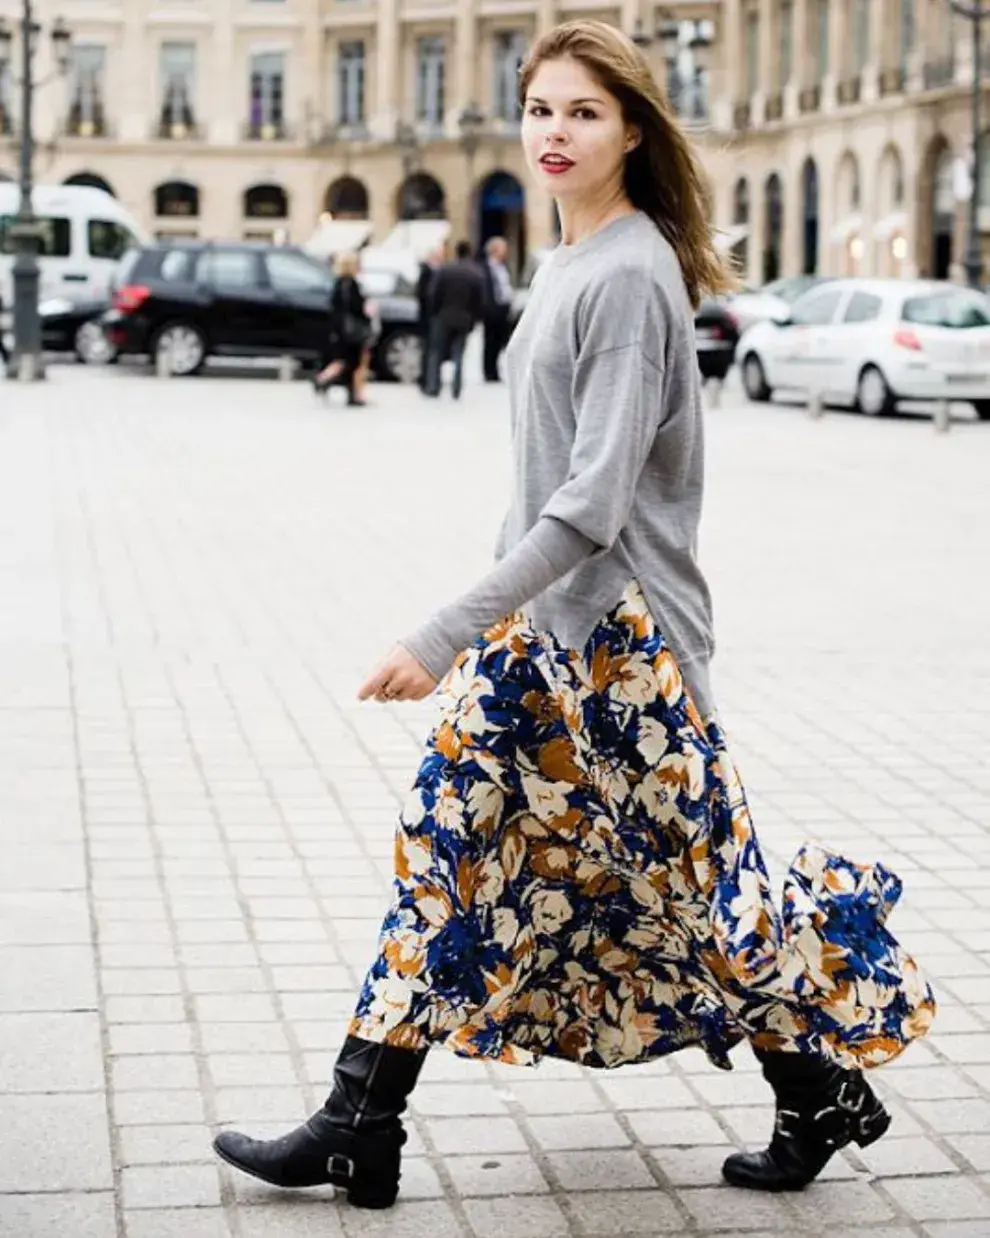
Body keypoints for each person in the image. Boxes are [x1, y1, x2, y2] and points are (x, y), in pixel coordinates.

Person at [213, 19, 936, 1210]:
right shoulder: (573, 259)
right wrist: (492, 626)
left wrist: (438, 632)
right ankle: (359, 1118)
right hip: (540, 641)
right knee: (444, 852)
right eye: (541, 108)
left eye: (584, 113)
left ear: (633, 130)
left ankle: (819, 1085)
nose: (555, 131)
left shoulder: (633, 273)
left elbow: (592, 507)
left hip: (625, 648)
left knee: (704, 892)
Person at [422, 240, 485, 399]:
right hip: (464, 319)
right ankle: (456, 388)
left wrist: (435, 312)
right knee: (459, 354)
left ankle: (433, 386)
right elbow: (480, 300)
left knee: (436, 352)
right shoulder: (475, 273)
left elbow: (433, 294)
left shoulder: (445, 270)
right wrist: (474, 318)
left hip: (443, 317)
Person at [312, 252, 371, 406]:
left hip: (340, 330)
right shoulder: (352, 285)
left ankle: (326, 381)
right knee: (351, 362)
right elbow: (357, 308)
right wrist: (367, 313)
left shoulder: (338, 284)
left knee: (344, 361)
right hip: (351, 332)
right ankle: (323, 380)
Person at [480, 235, 513, 381]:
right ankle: (488, 371)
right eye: (503, 248)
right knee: (490, 341)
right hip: (491, 309)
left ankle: (495, 370)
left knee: (500, 341)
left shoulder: (503, 266)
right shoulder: (485, 267)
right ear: (494, 250)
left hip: (503, 308)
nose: (505, 251)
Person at [415, 246, 443, 391]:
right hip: (429, 317)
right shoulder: (427, 271)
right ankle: (426, 380)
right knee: (429, 349)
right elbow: (423, 295)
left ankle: (429, 380)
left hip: (432, 317)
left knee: (431, 349)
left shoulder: (436, 270)